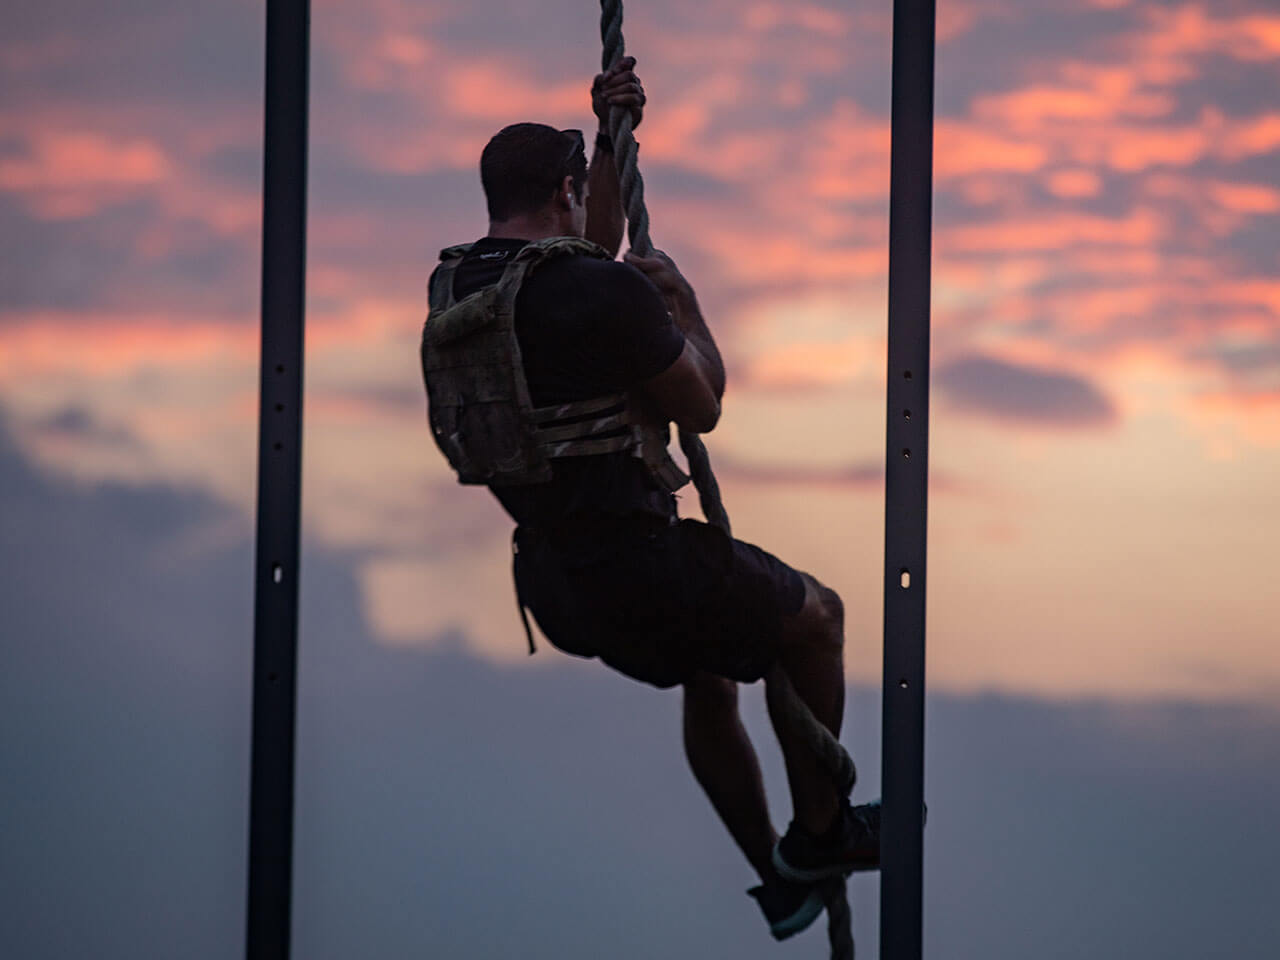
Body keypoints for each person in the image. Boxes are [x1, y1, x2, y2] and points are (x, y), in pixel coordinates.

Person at [421, 57, 879, 941]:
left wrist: (608, 139)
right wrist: (686, 305)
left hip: (559, 587)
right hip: (644, 566)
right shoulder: (604, 292)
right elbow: (701, 400)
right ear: (561, 190)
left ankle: (776, 881)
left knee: (710, 675)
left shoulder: (466, 293)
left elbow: (576, 265)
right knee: (816, 619)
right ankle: (820, 837)